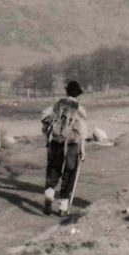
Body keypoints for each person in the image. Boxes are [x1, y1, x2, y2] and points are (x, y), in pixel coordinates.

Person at [40, 80, 88, 216]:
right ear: (78, 94)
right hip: (72, 144)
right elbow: (83, 132)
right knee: (69, 173)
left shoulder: (57, 104)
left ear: (66, 92)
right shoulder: (80, 109)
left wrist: (48, 138)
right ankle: (63, 207)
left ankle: (49, 194)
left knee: (53, 170)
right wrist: (83, 150)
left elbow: (45, 118)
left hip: (56, 142)